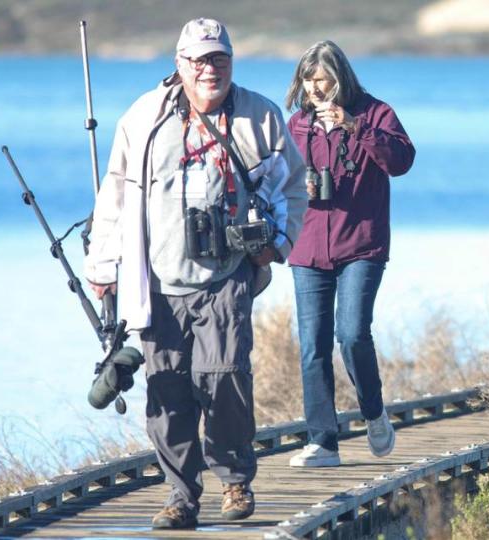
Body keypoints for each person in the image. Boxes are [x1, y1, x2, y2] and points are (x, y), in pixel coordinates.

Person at [83, 18, 307, 528]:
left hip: (226, 278)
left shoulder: (260, 116)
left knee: (225, 378)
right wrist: (102, 264)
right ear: (180, 64)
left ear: (232, 62)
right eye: (200, 60)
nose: (211, 69)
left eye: (220, 59)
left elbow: (295, 186)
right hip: (157, 281)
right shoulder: (144, 118)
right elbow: (114, 198)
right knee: (167, 390)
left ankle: (234, 482)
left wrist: (278, 243)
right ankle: (181, 496)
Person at [283, 41, 415, 468]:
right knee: (313, 347)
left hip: (361, 243)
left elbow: (402, 161)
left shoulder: (375, 113)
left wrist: (356, 127)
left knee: (353, 334)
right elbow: (273, 178)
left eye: (322, 79)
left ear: (341, 76)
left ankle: (374, 413)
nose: (315, 89)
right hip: (307, 247)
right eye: (308, 79)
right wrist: (293, 187)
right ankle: (323, 442)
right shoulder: (296, 124)